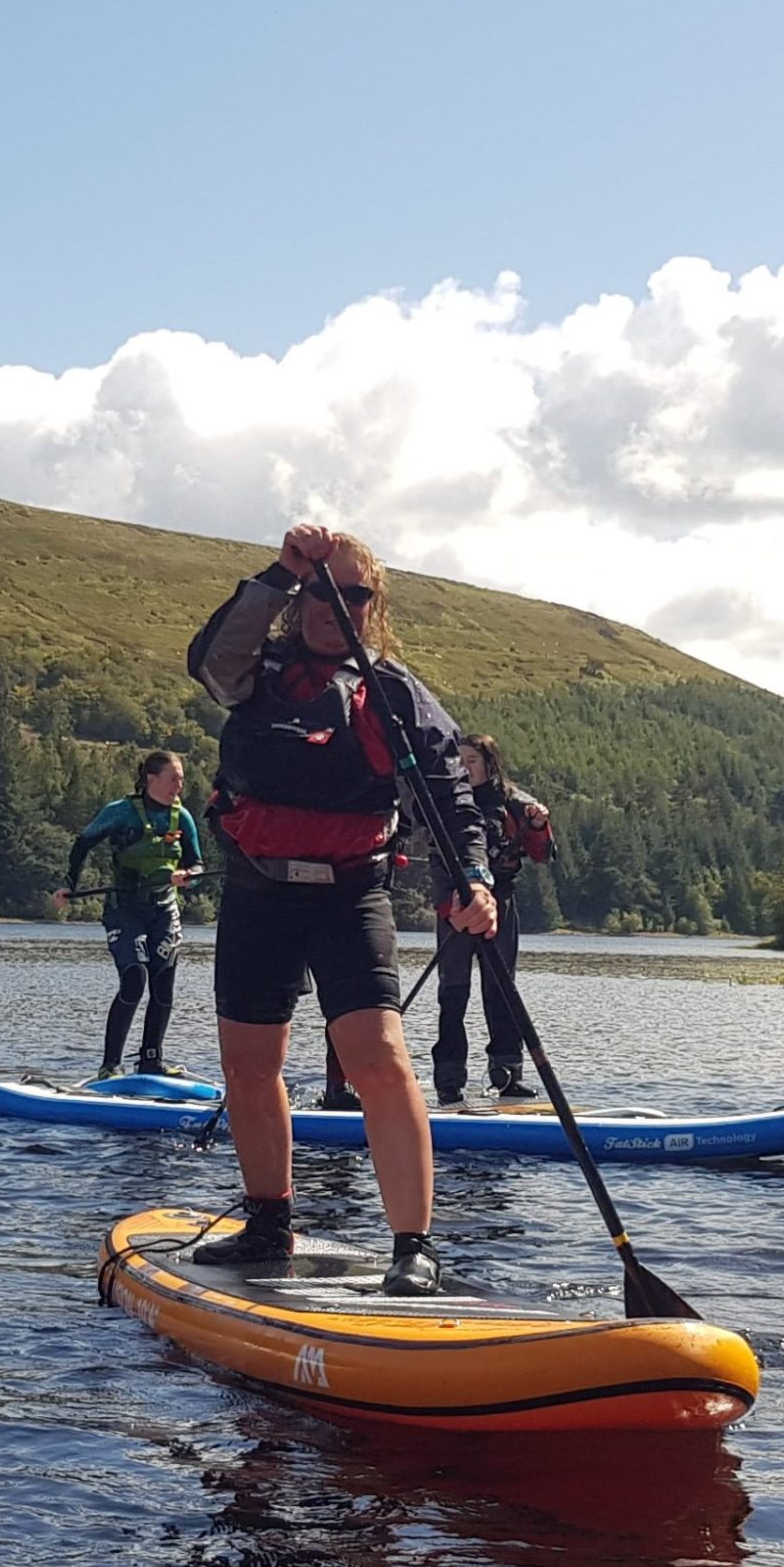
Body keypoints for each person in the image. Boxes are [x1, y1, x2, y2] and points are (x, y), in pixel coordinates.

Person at [185, 522, 493, 1296]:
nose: (335, 605)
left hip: (351, 893)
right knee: (250, 1068)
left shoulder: (393, 691)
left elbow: (449, 794)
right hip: (259, 892)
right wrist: (279, 575)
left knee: (377, 1056)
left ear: (372, 604)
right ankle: (267, 1224)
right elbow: (209, 664)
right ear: (300, 598)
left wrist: (474, 877)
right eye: (320, 590)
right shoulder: (258, 670)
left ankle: (413, 1245)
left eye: (352, 593)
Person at [53, 751, 204, 1078]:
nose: (179, 785)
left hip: (164, 910)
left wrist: (188, 875)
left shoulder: (183, 818)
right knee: (135, 978)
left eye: (181, 779)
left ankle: (151, 1060)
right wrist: (68, 885)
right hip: (126, 910)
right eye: (173, 778)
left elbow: (197, 864)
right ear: (151, 779)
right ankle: (110, 1065)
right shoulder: (120, 813)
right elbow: (82, 845)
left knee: (163, 984)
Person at [433, 732, 555, 1105]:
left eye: (472, 761)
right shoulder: (449, 802)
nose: (466, 768)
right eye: (461, 761)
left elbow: (543, 854)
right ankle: (449, 1080)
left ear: (490, 764)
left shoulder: (516, 805)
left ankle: (506, 1075)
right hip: (455, 905)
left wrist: (537, 826)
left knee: (502, 991)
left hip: (500, 905)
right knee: (453, 993)